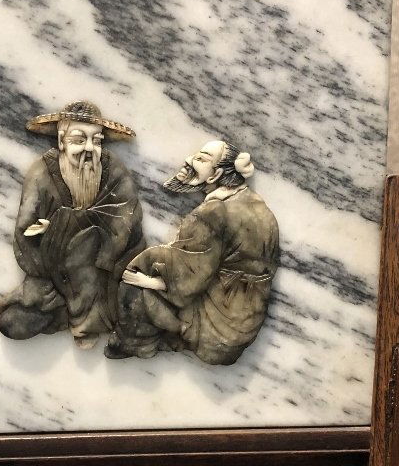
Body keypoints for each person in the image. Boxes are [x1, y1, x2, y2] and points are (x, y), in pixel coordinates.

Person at [105, 139, 279, 365]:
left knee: (137, 277)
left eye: (200, 159)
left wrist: (146, 281)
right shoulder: (256, 204)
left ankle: (138, 345)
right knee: (158, 259)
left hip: (218, 329)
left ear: (216, 175)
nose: (188, 160)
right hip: (249, 318)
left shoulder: (212, 212)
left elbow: (189, 278)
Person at [0, 101, 145, 349]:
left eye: (96, 141)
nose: (89, 148)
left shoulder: (113, 169)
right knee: (12, 322)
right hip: (52, 270)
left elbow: (126, 217)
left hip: (104, 269)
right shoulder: (42, 172)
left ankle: (88, 320)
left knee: (89, 247)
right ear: (61, 140)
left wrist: (66, 224)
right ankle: (66, 307)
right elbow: (25, 231)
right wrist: (48, 245)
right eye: (79, 140)